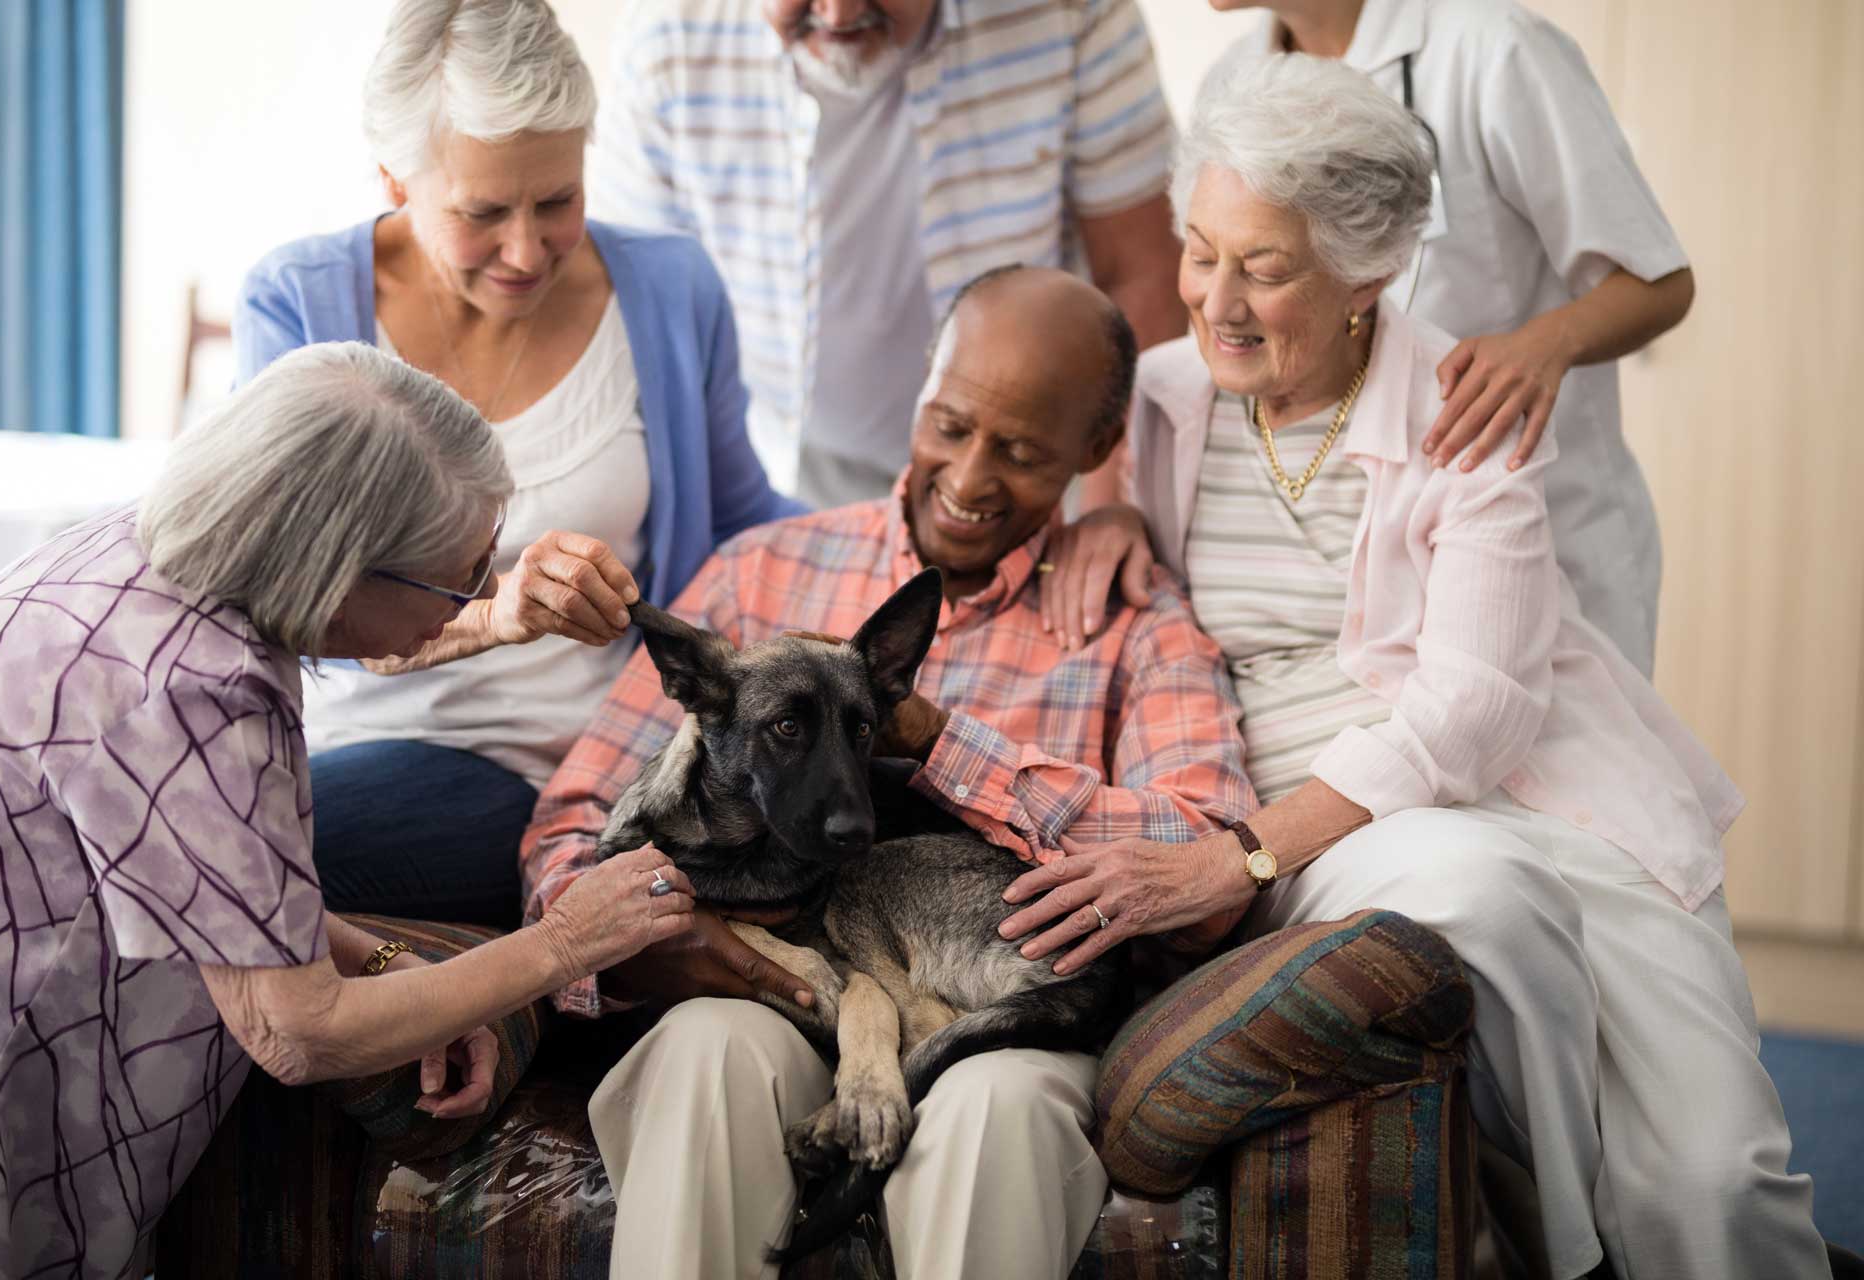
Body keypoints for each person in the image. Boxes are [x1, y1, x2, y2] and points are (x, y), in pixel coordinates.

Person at [1011, 57, 1827, 1280]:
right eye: (1199, 251)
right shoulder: (1165, 401)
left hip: (1548, 792)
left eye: (1265, 267)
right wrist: (1111, 507)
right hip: (1331, 811)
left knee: (1715, 1177)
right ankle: (1568, 1245)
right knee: (1475, 887)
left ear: (1369, 274)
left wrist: (1232, 861)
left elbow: (1472, 711)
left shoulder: (1466, 410)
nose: (1214, 299)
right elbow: (1047, 464)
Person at [519, 267, 1256, 1280]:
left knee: (996, 1107)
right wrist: (617, 952)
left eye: (1024, 450)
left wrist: (938, 735)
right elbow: (574, 819)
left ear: (1096, 452)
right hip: (770, 993)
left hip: (991, 1006)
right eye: (950, 424)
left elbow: (1206, 860)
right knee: (708, 1049)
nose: (970, 474)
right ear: (920, 389)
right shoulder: (760, 572)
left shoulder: (1138, 622)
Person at [0, 344, 697, 1279]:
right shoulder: (196, 696)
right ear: (334, 570)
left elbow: (211, 879)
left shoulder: (147, 551)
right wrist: (562, 945)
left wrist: (389, 961)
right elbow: (298, 1033)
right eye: (454, 580)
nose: (473, 601)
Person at [234, 0, 802, 929]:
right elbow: (276, 599)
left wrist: (922, 528)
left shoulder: (667, 289)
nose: (527, 250)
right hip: (363, 739)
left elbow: (748, 523)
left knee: (244, 854)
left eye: (557, 201)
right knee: (219, 836)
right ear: (394, 179)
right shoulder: (301, 304)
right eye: (484, 212)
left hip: (596, 757)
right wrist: (496, 614)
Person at [1195, 0, 1695, 674]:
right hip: (1358, 555)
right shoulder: (1234, 80)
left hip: (1534, 521)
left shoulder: (1494, 51)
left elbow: (1659, 281)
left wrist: (1544, 344)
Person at [589, 0, 1189, 506]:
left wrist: (1113, 509)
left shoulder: (1073, 12)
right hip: (783, 465)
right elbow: (648, 324)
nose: (838, 13)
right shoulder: (665, 34)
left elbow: (1142, 275)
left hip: (1032, 463)